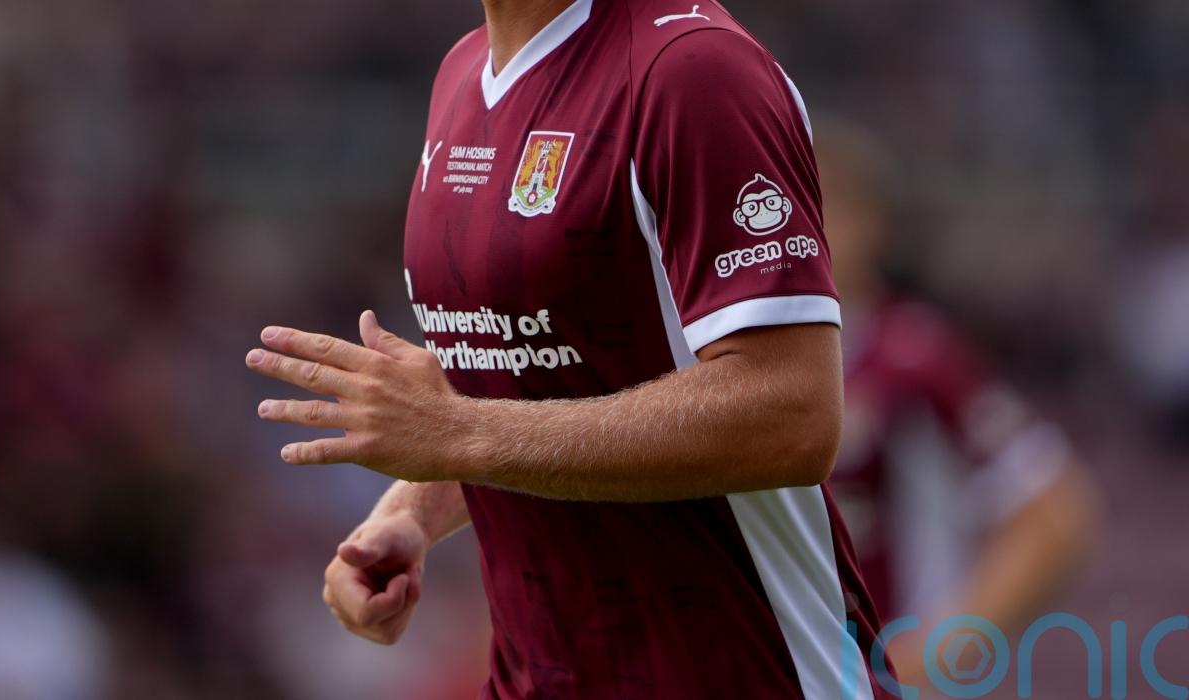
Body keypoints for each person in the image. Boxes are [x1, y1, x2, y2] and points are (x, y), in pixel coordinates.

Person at [246, 1, 894, 697]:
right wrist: (414, 510)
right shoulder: (463, 71)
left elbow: (791, 415)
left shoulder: (693, 69)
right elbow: (541, 378)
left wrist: (458, 433)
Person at [814, 119, 1098, 689]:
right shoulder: (734, 362)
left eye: (827, 204)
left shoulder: (913, 356)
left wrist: (944, 652)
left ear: (875, 225)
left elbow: (1054, 514)